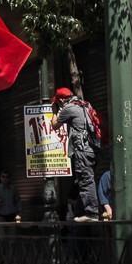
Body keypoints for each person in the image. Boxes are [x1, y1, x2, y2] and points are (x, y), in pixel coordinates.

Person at [50, 87, 100, 221]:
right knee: (88, 180)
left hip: (83, 149)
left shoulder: (68, 108)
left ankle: (91, 214)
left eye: (58, 102)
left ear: (60, 100)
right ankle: (82, 211)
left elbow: (54, 125)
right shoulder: (84, 104)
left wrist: (55, 112)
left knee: (85, 181)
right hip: (93, 149)